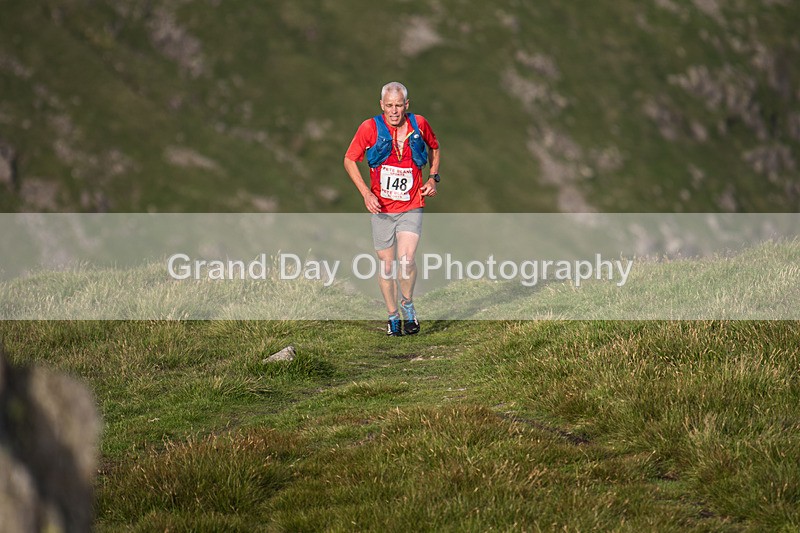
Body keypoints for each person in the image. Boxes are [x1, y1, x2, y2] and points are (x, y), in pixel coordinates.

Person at [344, 81, 441, 336]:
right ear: (381, 106)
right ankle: (392, 316)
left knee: (406, 260)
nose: (394, 111)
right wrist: (366, 193)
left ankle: (408, 306)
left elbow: (435, 147)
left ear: (406, 105)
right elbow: (349, 159)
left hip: (411, 204)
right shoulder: (369, 128)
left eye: (399, 105)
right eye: (389, 106)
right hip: (382, 209)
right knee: (387, 265)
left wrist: (433, 178)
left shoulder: (419, 124)